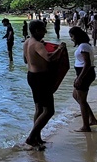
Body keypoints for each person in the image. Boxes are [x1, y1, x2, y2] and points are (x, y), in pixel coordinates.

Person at [22, 20, 67, 150]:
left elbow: (25, 60)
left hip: (31, 76)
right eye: (43, 29)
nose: (45, 32)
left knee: (39, 109)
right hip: (41, 78)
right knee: (49, 111)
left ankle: (37, 138)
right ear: (36, 30)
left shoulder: (27, 42)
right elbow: (50, 58)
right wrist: (60, 49)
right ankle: (31, 137)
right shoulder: (38, 45)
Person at [68, 27, 97, 132]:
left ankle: (86, 126)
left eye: (72, 36)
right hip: (83, 74)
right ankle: (92, 118)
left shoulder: (84, 46)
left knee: (82, 100)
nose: (71, 39)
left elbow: (87, 63)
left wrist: (80, 78)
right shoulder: (83, 45)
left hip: (85, 74)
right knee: (76, 96)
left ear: (76, 36)